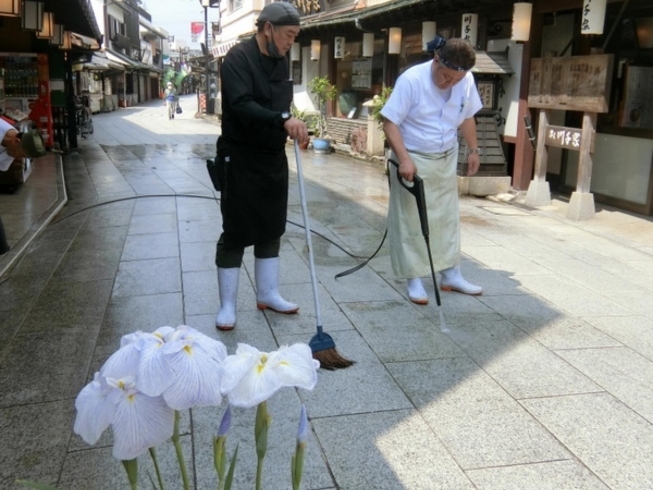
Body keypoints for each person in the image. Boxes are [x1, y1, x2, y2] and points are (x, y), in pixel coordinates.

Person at [214, 1, 308, 331]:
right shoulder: (237, 58)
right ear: (267, 28)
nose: (290, 43)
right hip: (239, 156)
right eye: (287, 35)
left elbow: (283, 103)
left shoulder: (281, 61)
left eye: (295, 37)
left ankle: (268, 293)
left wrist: (294, 126)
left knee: (272, 225)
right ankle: (227, 305)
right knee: (237, 229)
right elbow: (241, 105)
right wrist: (283, 119)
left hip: (272, 157)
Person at [380, 36, 483, 304]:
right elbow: (389, 122)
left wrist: (473, 150)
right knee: (411, 219)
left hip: (446, 154)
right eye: (446, 77)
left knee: (447, 217)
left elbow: (468, 115)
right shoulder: (412, 80)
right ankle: (414, 278)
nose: (449, 84)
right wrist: (403, 159)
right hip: (412, 154)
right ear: (436, 60)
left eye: (456, 80)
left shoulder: (465, 80)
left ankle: (451, 273)